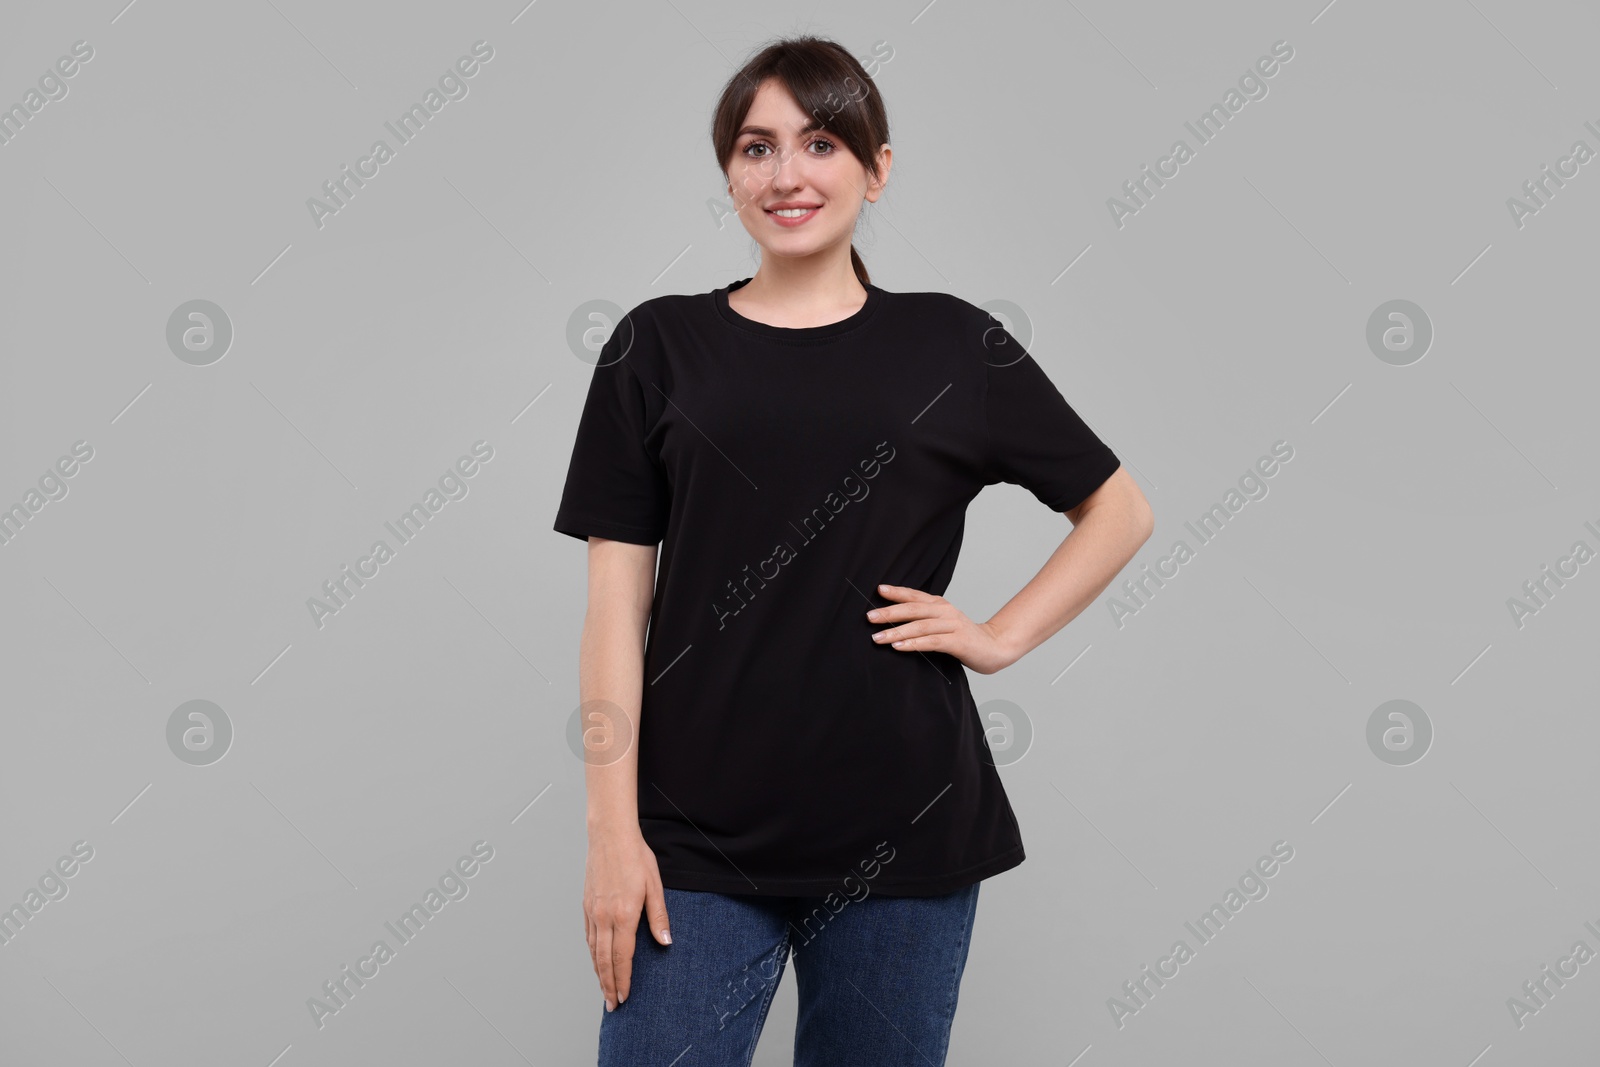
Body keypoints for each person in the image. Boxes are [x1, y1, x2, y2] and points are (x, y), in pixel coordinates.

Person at [553, 34, 1154, 1067]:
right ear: (728, 173)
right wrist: (614, 833)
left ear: (877, 169)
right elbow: (615, 607)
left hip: (903, 828)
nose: (786, 174)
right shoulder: (655, 348)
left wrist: (1000, 635)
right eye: (756, 147)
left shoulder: (954, 347)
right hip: (692, 835)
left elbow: (1118, 510)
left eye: (821, 142)